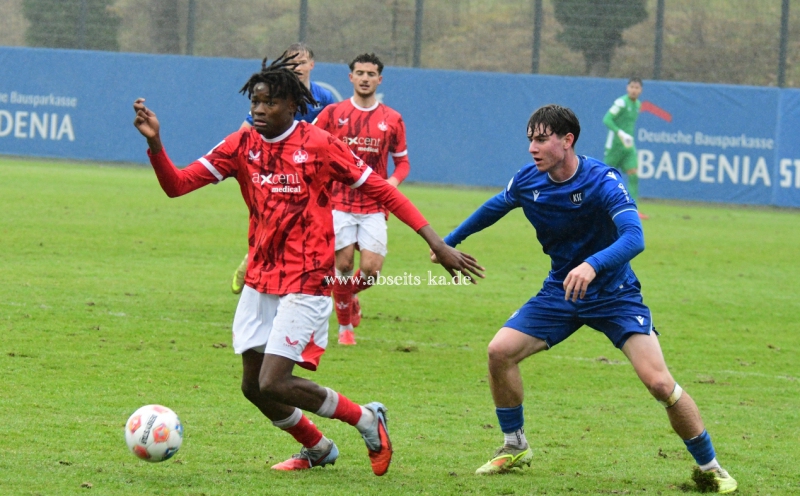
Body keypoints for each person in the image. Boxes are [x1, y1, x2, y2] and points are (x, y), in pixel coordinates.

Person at [132, 53, 484, 474]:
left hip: (308, 278)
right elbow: (177, 185)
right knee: (253, 387)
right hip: (261, 277)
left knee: (274, 381)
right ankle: (317, 447)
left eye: (270, 102)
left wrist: (437, 243)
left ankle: (366, 419)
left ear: (293, 105)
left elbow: (383, 190)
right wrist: (156, 144)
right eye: (255, 102)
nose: (259, 109)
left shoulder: (318, 145)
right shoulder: (241, 145)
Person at [436, 104, 736, 493]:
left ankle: (711, 468)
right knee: (499, 352)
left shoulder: (602, 180)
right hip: (562, 290)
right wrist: (447, 243)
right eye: (530, 140)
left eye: (541, 139)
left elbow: (634, 238)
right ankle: (515, 445)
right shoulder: (528, 180)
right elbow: (495, 206)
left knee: (660, 384)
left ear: (567, 140)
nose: (532, 148)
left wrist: (592, 265)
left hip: (615, 295)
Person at [313, 53, 409, 345]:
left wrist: (390, 184)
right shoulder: (333, 114)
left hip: (373, 204)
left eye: (370, 74)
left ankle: (347, 295)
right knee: (342, 266)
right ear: (351, 77)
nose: (365, 78)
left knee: (371, 270)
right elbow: (310, 144)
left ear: (379, 79)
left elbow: (402, 163)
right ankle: (345, 329)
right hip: (338, 201)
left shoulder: (392, 119)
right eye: (360, 73)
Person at [231, 43, 337, 294]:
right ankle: (254, 261)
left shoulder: (324, 98)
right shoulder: (274, 96)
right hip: (278, 168)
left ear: (312, 65)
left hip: (310, 171)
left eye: (302, 62)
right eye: (292, 62)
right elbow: (245, 131)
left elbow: (333, 136)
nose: (297, 67)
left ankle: (303, 282)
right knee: (278, 222)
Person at [603, 77, 648, 220]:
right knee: (607, 177)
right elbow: (607, 119)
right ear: (627, 88)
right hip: (615, 146)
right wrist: (620, 133)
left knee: (633, 175)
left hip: (628, 147)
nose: (634, 90)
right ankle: (601, 207)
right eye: (632, 87)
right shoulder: (621, 102)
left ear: (641, 90)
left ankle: (633, 210)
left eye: (637, 88)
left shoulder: (638, 105)